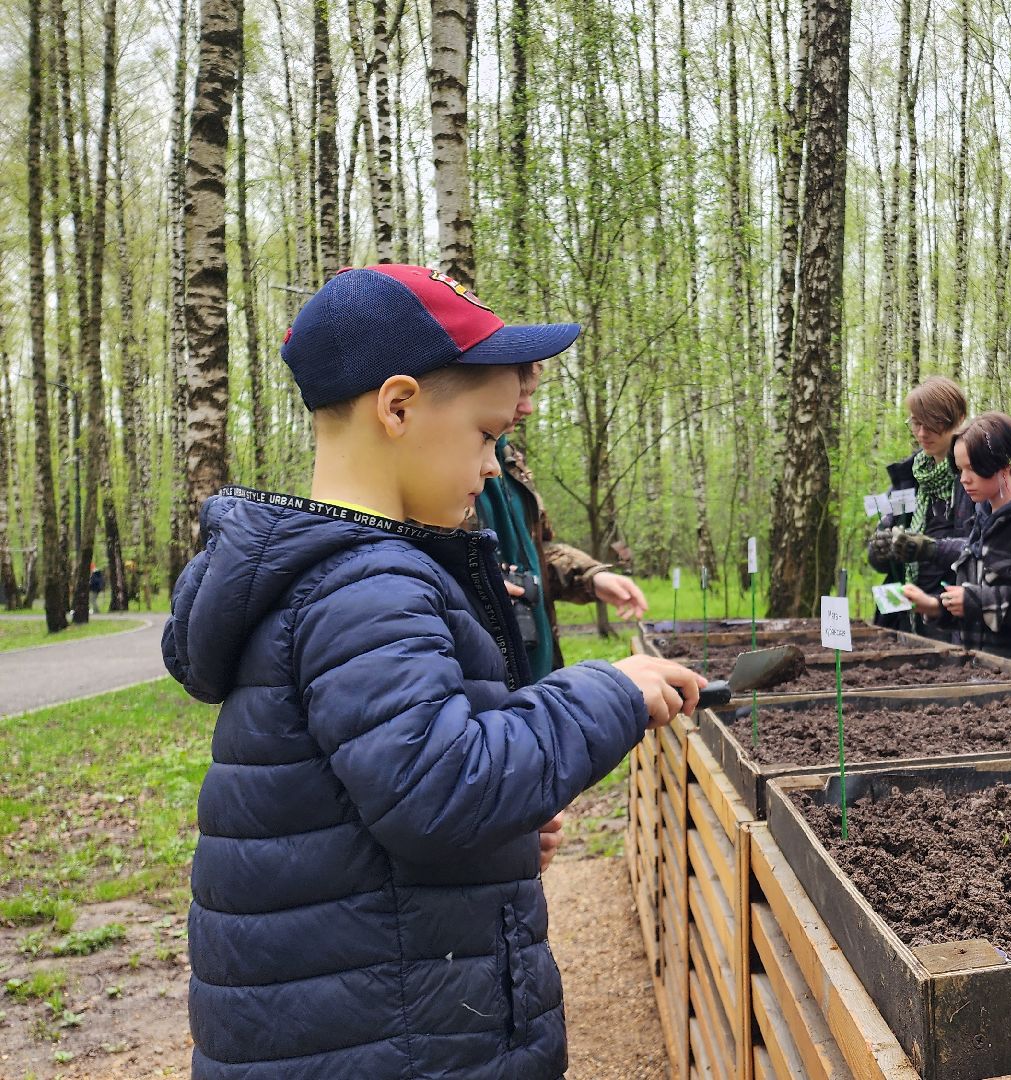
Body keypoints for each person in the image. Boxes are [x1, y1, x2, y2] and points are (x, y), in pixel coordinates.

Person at [161, 263, 704, 1080]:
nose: (493, 468)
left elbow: (382, 793)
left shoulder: (339, 574)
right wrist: (609, 689)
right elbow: (435, 787)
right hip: (392, 1041)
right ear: (400, 406)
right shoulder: (366, 585)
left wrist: (493, 843)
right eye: (486, 436)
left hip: (367, 1012)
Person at [473, 359, 649, 679]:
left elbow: (532, 554)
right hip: (487, 683)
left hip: (535, 675)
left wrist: (592, 577)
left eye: (531, 393)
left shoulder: (511, 462)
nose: (528, 408)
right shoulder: (448, 466)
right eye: (518, 394)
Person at [904, 412, 1011, 660]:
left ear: (1003, 466)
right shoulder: (979, 519)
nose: (964, 479)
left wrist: (975, 601)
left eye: (972, 468)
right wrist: (936, 606)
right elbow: (973, 600)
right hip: (977, 671)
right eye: (960, 469)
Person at [866, 376, 977, 633]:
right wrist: (880, 549)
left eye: (932, 424)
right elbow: (881, 559)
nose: (922, 433)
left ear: (958, 419)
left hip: (954, 613)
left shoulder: (975, 476)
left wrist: (928, 549)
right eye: (916, 423)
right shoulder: (908, 478)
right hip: (904, 612)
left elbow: (985, 550)